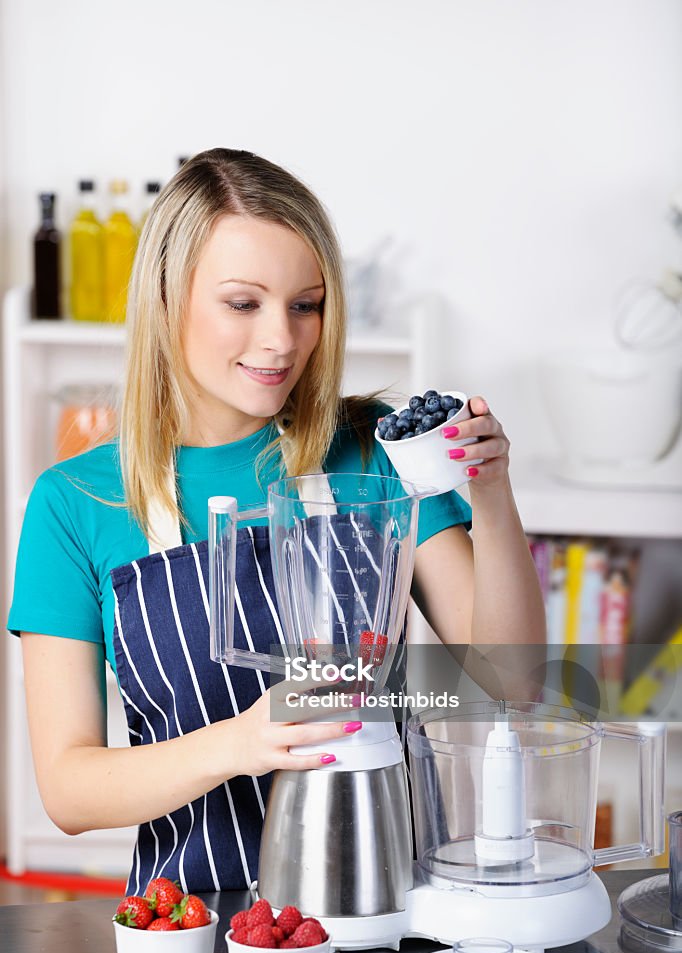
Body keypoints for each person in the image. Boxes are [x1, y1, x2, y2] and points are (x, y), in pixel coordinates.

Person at [7, 148, 545, 897]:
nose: (282, 340)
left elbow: (510, 676)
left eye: (306, 304)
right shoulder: (75, 502)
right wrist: (246, 741)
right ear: (168, 297)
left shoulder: (374, 449)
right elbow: (69, 789)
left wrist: (490, 490)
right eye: (243, 303)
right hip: (199, 925)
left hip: (397, 902)